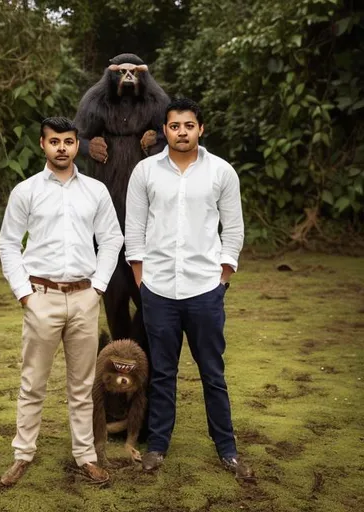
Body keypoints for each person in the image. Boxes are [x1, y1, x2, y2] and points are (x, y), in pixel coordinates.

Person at [125, 98, 254, 479]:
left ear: (201, 129)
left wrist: (223, 275)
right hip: (159, 288)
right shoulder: (145, 172)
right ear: (164, 130)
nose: (182, 131)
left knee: (212, 371)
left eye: (189, 125)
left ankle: (226, 449)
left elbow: (233, 228)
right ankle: (158, 446)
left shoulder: (221, 172)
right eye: (175, 125)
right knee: (163, 372)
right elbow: (134, 227)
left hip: (204, 288)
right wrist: (140, 277)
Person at [0, 117, 124, 486]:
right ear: (43, 144)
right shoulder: (26, 191)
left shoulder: (95, 191)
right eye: (55, 141)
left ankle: (84, 456)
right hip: (41, 298)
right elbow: (8, 243)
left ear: (76, 144)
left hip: (84, 297)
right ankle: (23, 455)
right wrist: (24, 294)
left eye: (69, 141)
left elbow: (112, 239)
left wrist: (98, 287)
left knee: (82, 387)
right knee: (32, 382)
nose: (62, 148)